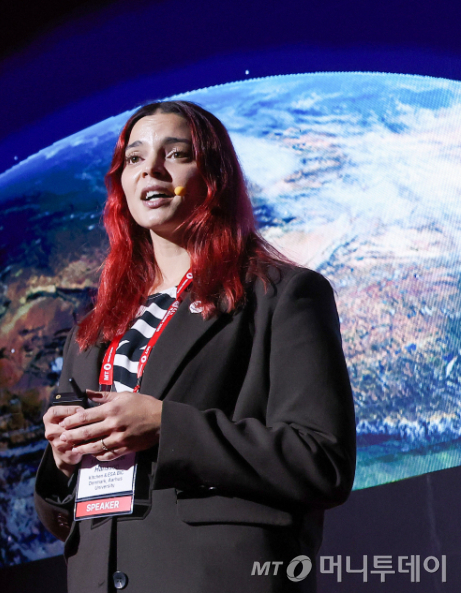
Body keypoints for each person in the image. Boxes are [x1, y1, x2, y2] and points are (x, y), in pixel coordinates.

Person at [35, 101, 356, 593]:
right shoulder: (93, 331)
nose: (152, 171)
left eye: (176, 154)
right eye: (135, 159)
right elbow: (61, 517)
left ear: (215, 175)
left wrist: (165, 425)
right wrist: (62, 460)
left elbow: (321, 461)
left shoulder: (282, 295)